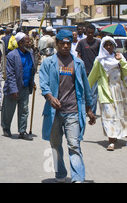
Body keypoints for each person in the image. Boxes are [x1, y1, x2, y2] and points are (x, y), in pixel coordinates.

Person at [39, 29, 96, 183]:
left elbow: (85, 86)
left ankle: (78, 178)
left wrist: (89, 109)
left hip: (73, 111)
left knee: (74, 145)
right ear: (57, 44)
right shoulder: (48, 62)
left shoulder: (78, 63)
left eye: (68, 43)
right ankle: (61, 174)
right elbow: (43, 84)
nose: (65, 46)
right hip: (54, 112)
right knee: (56, 144)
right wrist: (50, 97)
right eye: (62, 43)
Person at [88, 37, 127, 151]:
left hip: (120, 92)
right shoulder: (99, 61)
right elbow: (92, 77)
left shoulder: (119, 58)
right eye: (106, 45)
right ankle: (111, 141)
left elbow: (126, 71)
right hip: (106, 92)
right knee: (109, 116)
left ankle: (117, 135)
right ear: (102, 47)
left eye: (110, 45)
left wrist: (121, 61)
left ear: (114, 46)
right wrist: (84, 91)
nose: (108, 47)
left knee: (120, 116)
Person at [1, 33, 36, 140]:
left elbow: (31, 69)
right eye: (27, 41)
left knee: (24, 110)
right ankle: (6, 128)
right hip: (14, 88)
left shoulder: (30, 53)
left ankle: (22, 131)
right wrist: (13, 89)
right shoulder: (12, 55)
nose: (29, 43)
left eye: (29, 41)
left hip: (25, 87)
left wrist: (32, 81)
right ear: (20, 43)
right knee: (9, 110)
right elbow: (10, 74)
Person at [75, 24, 100, 115]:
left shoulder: (98, 42)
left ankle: (92, 112)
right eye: (88, 33)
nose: (90, 35)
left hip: (94, 72)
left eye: (92, 33)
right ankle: (83, 111)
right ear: (86, 32)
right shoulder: (81, 42)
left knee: (93, 94)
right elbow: (79, 55)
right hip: (84, 72)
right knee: (83, 93)